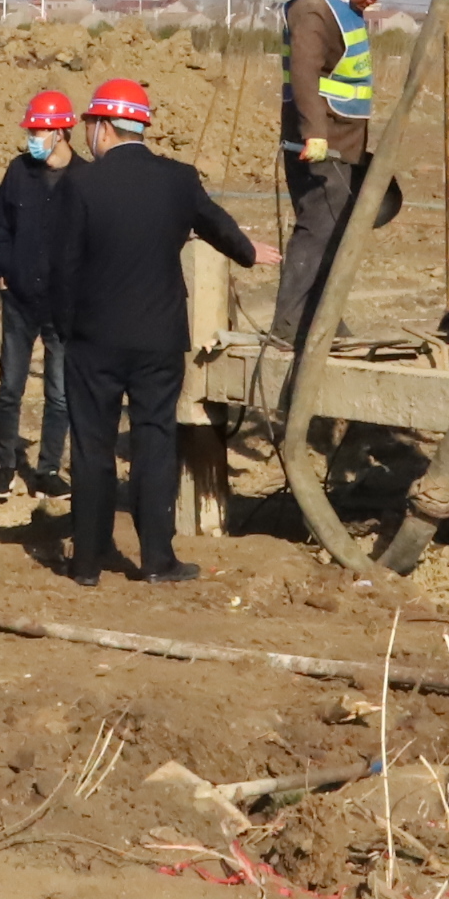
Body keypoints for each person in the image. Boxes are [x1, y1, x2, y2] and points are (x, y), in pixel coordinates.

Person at [42, 78, 274, 586]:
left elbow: (61, 269)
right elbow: (215, 223)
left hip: (94, 339)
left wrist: (65, 328)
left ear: (104, 127)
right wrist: (249, 251)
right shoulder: (177, 179)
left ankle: (87, 562)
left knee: (92, 447)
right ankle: (156, 559)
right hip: (158, 338)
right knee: (154, 441)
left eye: (90, 125)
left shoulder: (80, 185)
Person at [272, 0, 406, 347]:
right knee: (319, 227)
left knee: (341, 226)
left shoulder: (345, 7)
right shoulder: (315, 8)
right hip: (319, 141)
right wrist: (313, 133)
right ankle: (291, 323)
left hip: (345, 140)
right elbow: (305, 75)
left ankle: (323, 316)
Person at [0, 90, 80, 502]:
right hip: (20, 300)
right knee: (10, 387)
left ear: (60, 132)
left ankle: (47, 471)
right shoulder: (19, 172)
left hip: (64, 307)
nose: (32, 138)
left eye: (38, 131)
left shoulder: (85, 179)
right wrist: (2, 268)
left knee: (60, 393)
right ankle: (4, 466)